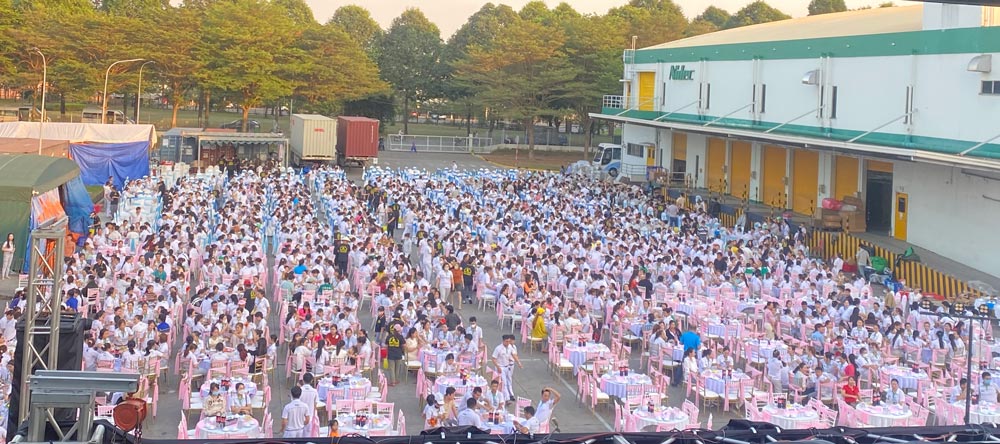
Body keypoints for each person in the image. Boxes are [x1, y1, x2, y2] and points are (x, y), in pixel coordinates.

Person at [492, 334, 523, 400]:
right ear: (503, 341)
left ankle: (510, 394)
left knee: (509, 380)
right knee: (504, 382)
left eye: (509, 341)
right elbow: (493, 358)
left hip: (507, 366)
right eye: (506, 341)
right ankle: (507, 398)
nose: (508, 343)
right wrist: (498, 367)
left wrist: (519, 363)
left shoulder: (510, 347)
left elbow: (514, 355)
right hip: (501, 367)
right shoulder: (498, 348)